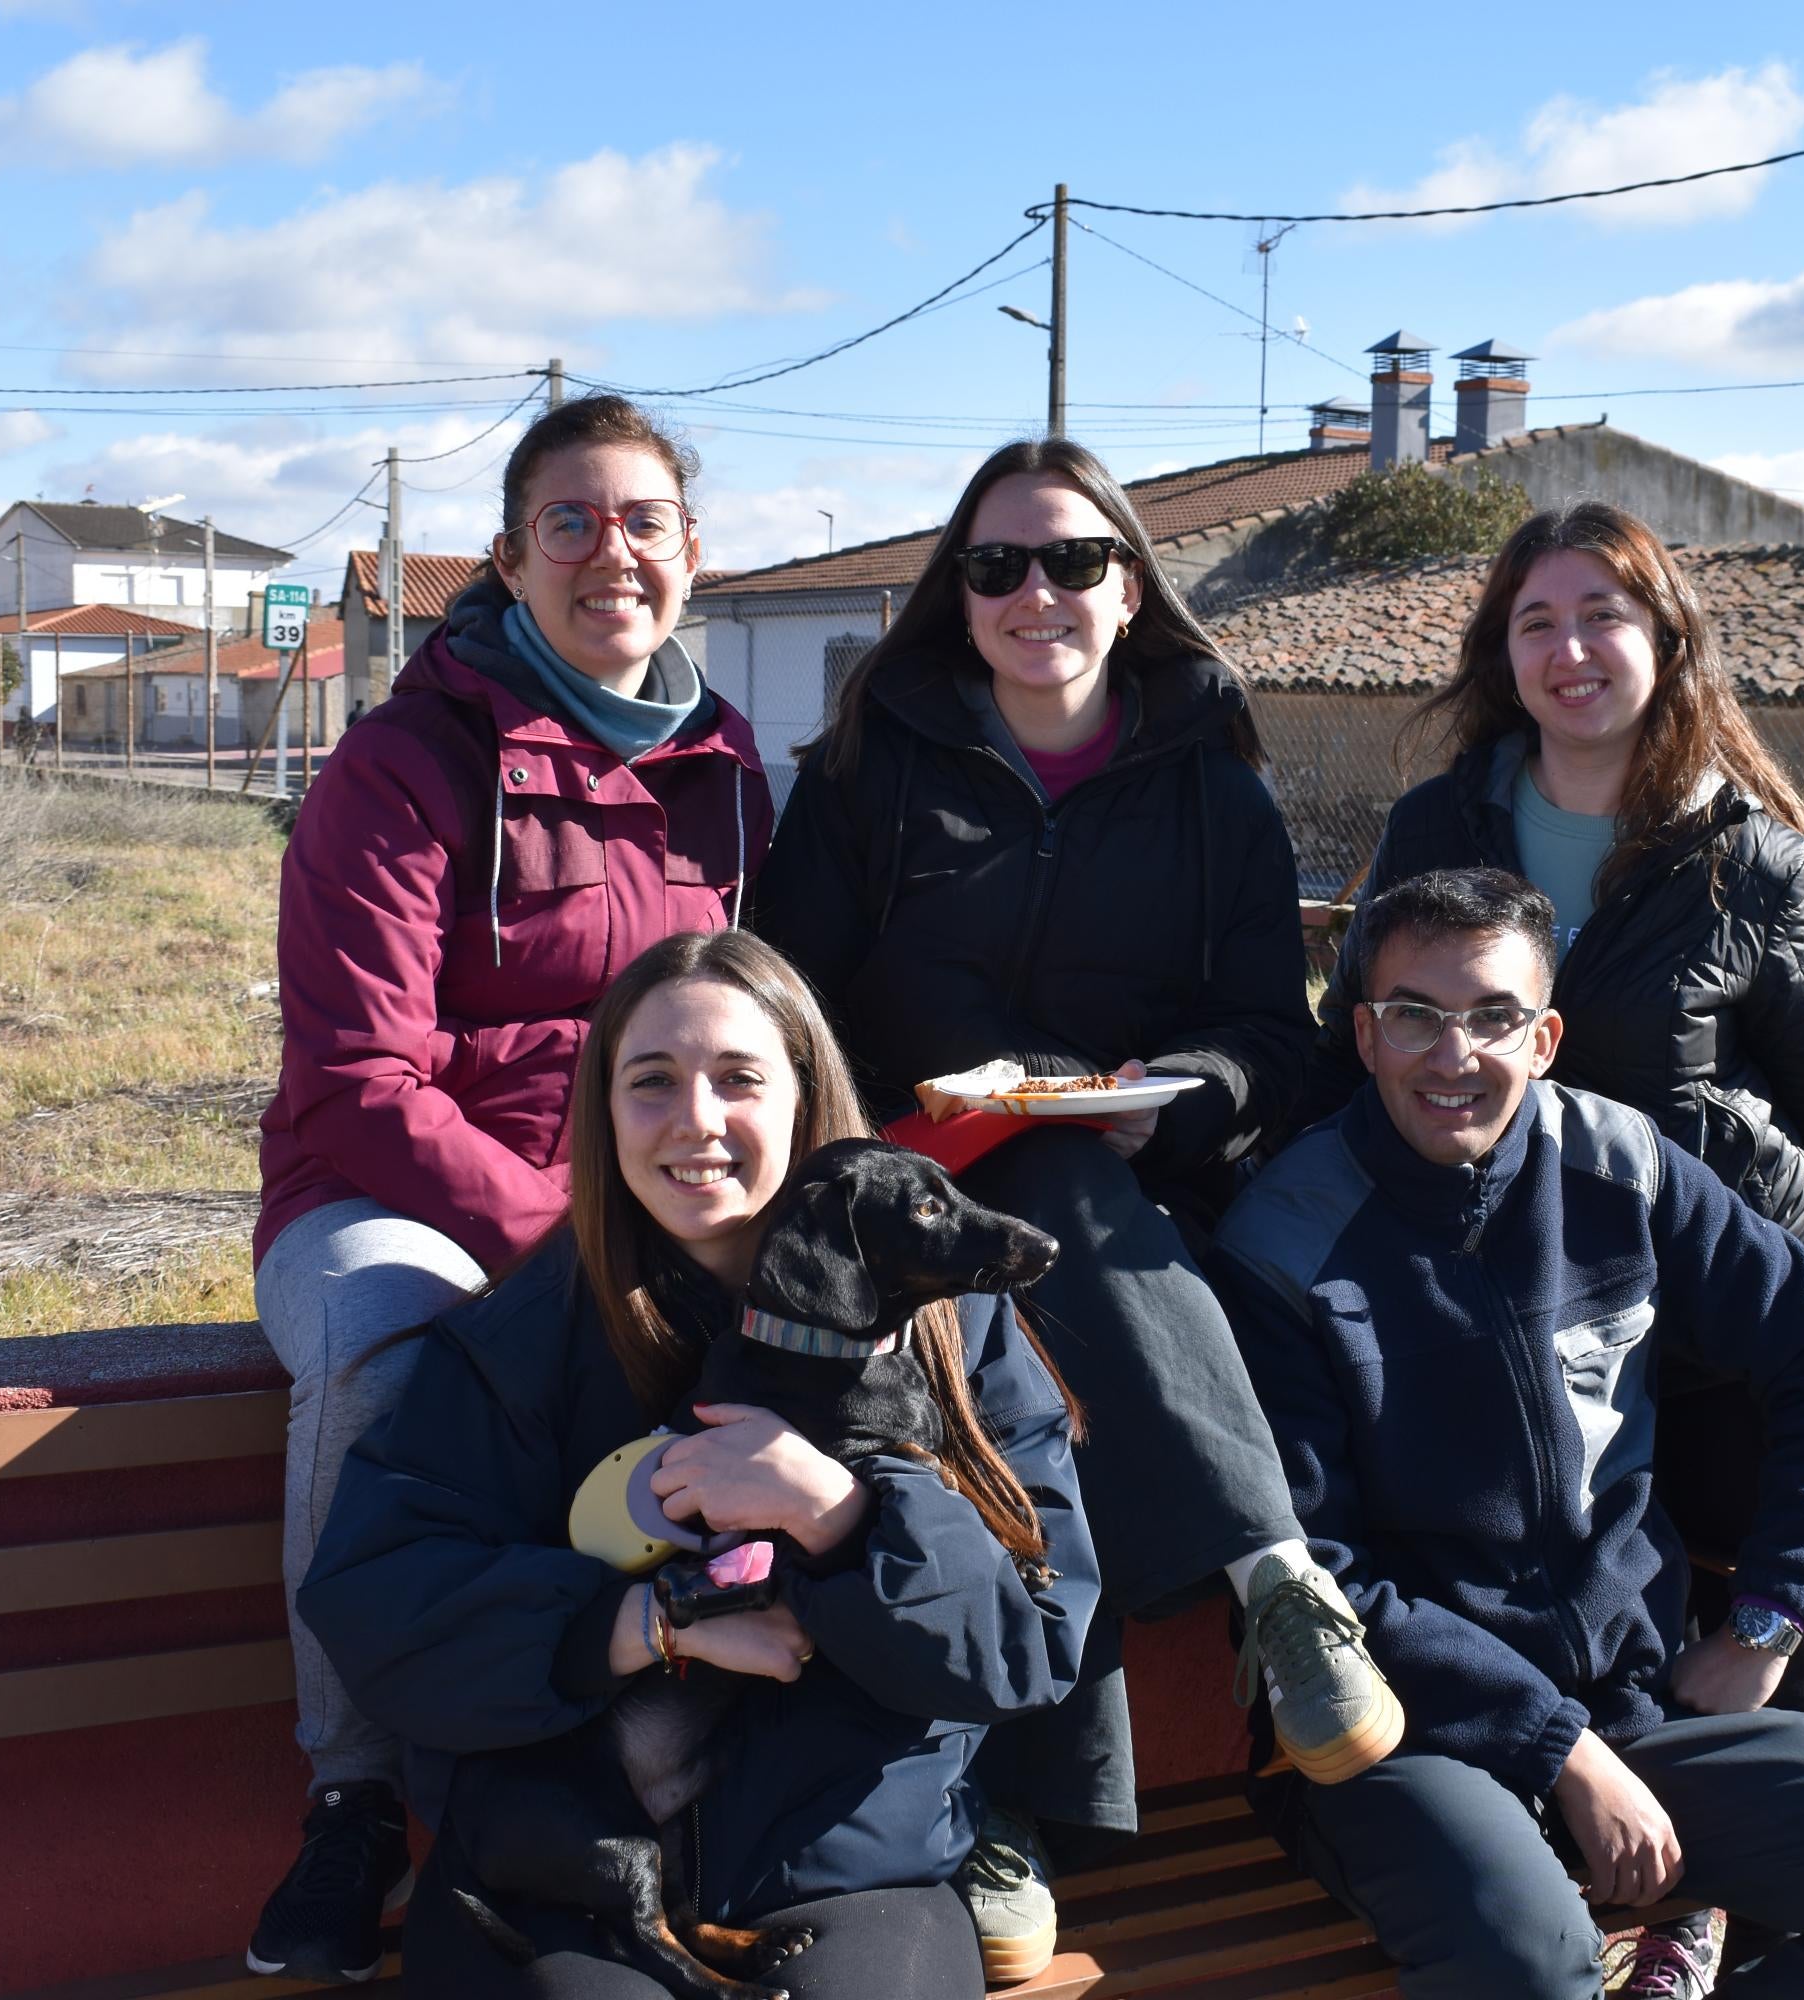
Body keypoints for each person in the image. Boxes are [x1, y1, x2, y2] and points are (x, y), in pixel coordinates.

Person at [753, 437, 1398, 1981]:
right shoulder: (859, 776)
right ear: (957, 594)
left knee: (1044, 1276)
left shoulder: (1218, 801)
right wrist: (895, 1136)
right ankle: (1275, 1579)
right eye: (997, 566)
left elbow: (1276, 1040)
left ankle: (1012, 1810)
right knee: (1020, 1214)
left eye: (1072, 562)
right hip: (901, 1182)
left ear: (1130, 589)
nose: (1035, 592)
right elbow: (789, 1006)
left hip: (1132, 1189)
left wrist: (1169, 1089)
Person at [1303, 503, 1804, 1981]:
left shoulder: (1743, 853)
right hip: (1495, 1265)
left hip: (1701, 1286)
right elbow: (1356, 1040)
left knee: (1760, 1629)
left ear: (1666, 643)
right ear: (1502, 655)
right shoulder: (1440, 824)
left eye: (1603, 614)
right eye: (1536, 621)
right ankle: (1655, 1884)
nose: (1571, 649)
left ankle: (1750, 1916)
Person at [1215, 868, 1804, 2000]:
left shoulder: (1623, 1164)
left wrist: (1765, 1618)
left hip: (1640, 1709)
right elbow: (1318, 1574)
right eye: (1415, 1013)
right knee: (1532, 1961)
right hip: (1407, 1740)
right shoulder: (1281, 1241)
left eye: (1494, 1016)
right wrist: (1556, 1747)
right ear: (1364, 1032)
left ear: (1546, 1035)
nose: (1454, 1054)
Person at [297, 927, 1094, 1997]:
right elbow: (377, 1601)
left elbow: (1035, 1643)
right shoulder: (523, 1336)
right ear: (602, 1109)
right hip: (559, 1875)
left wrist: (842, 1510)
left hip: (852, 1871)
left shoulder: (960, 1333)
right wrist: (635, 1624)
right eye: (652, 1081)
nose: (697, 1120)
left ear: (807, 1101)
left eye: (739, 1079)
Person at [247, 395, 771, 1981]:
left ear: (692, 554)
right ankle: (353, 1800)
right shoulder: (407, 762)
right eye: (571, 522)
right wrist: (566, 1241)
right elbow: (362, 1078)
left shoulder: (727, 767)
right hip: (388, 1197)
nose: (609, 552)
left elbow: (759, 1021)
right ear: (510, 554)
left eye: (642, 523)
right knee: (386, 1346)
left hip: (640, 1186)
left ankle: (721, 1783)